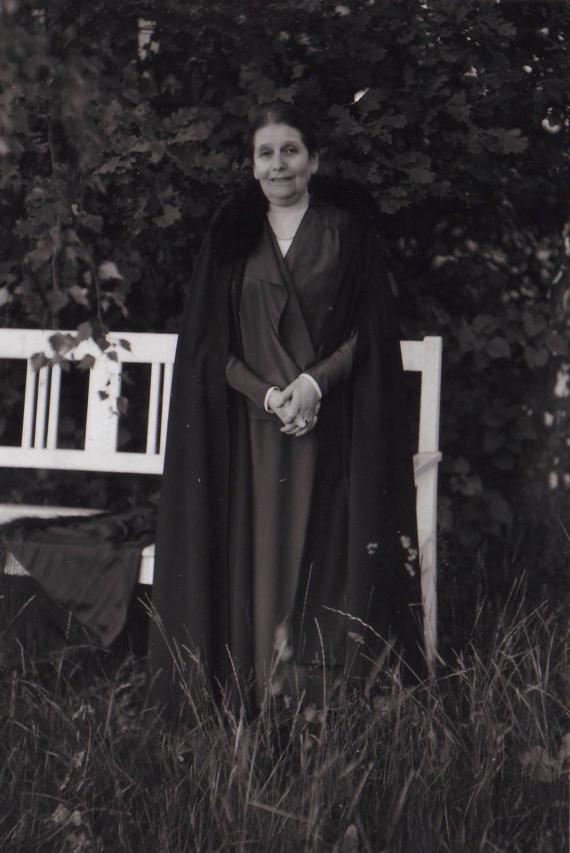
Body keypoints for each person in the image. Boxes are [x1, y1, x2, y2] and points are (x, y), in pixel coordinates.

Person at [149, 103, 424, 714]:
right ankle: (249, 694)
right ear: (252, 166)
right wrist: (268, 394)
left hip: (327, 429)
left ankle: (315, 704)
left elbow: (367, 335)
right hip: (252, 432)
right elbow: (207, 349)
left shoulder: (345, 234)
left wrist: (313, 384)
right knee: (258, 560)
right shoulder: (231, 239)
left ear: (314, 160)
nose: (279, 164)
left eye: (291, 150)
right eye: (266, 153)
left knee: (320, 555)